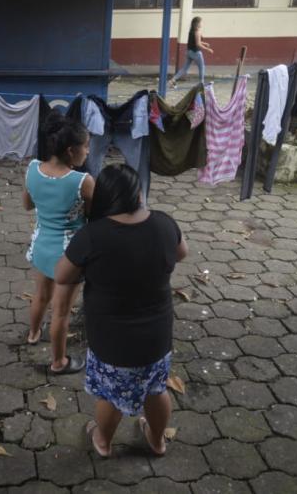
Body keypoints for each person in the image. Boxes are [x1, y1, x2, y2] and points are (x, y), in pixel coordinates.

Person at [54, 164, 187, 457]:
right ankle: (156, 440)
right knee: (157, 389)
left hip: (112, 343)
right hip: (156, 338)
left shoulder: (92, 236)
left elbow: (62, 275)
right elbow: (181, 253)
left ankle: (102, 441)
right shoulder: (165, 224)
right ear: (138, 193)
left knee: (110, 397)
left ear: (103, 198)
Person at [23, 110, 94, 374]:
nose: (88, 152)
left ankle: (32, 334)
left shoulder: (32, 169)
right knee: (61, 312)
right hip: (69, 256)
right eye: (85, 147)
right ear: (70, 150)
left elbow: (27, 204)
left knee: (40, 296)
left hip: (41, 246)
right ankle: (58, 362)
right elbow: (93, 215)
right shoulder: (83, 182)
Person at [168, 16, 213, 88]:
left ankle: (173, 80)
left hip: (189, 52)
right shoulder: (197, 32)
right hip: (196, 52)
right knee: (202, 67)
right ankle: (201, 83)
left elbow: (196, 41)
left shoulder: (192, 31)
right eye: (201, 22)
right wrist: (208, 49)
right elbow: (198, 44)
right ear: (197, 23)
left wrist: (204, 43)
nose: (202, 23)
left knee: (184, 68)